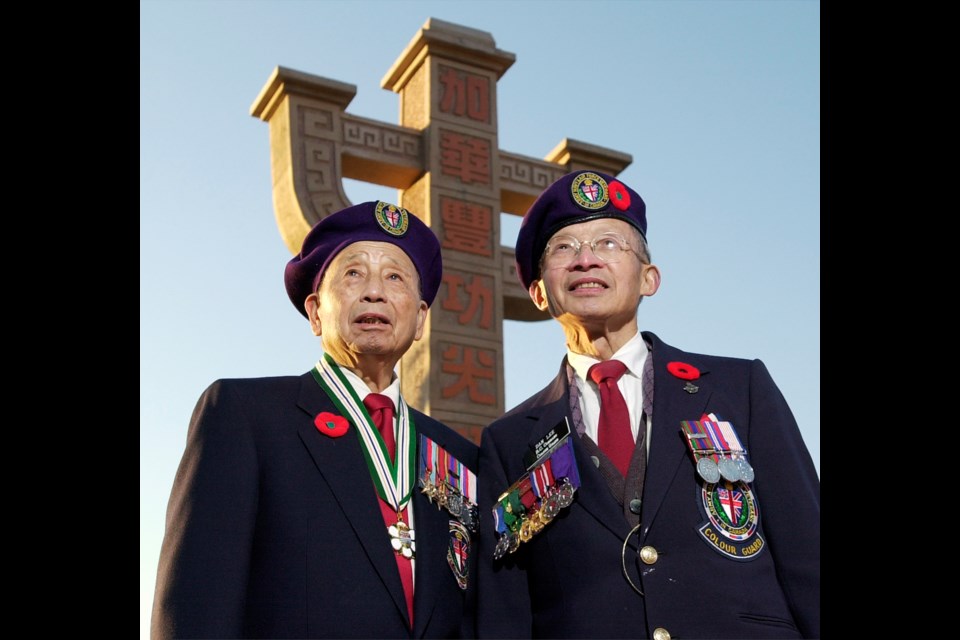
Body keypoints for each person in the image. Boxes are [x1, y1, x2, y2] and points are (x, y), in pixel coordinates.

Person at [475, 171, 819, 639]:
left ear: (649, 279)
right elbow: (505, 609)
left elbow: (807, 551)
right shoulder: (509, 440)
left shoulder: (740, 388)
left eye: (609, 244)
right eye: (564, 248)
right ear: (539, 293)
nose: (586, 260)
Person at [152, 201, 479, 639]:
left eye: (395, 277)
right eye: (353, 273)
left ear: (420, 319)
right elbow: (195, 606)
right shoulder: (246, 415)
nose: (374, 292)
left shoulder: (458, 456)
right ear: (314, 311)